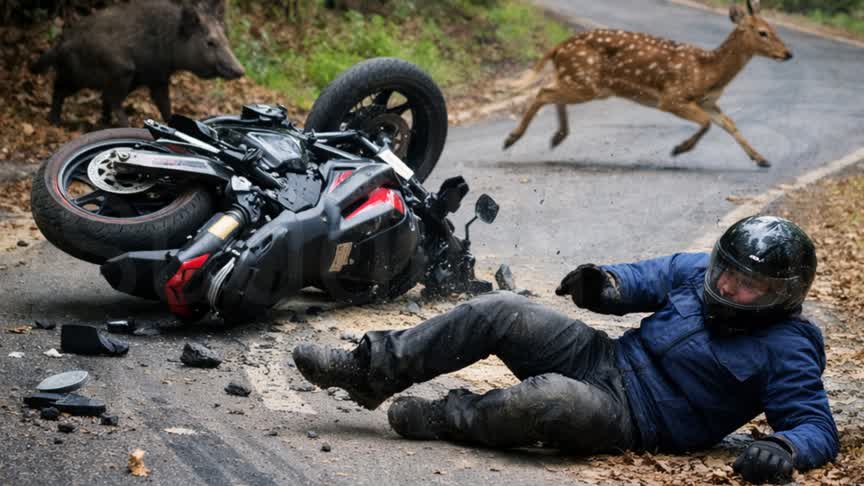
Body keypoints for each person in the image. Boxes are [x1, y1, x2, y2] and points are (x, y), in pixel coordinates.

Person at [292, 215, 838, 484]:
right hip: (606, 358)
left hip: (635, 420)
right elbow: (645, 277)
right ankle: (371, 369)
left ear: (780, 294)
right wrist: (602, 285)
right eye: (726, 272)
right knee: (501, 307)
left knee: (547, 398)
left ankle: (449, 417)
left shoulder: (790, 347)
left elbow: (815, 424)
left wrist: (786, 451)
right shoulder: (702, 272)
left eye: (745, 285)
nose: (725, 288)